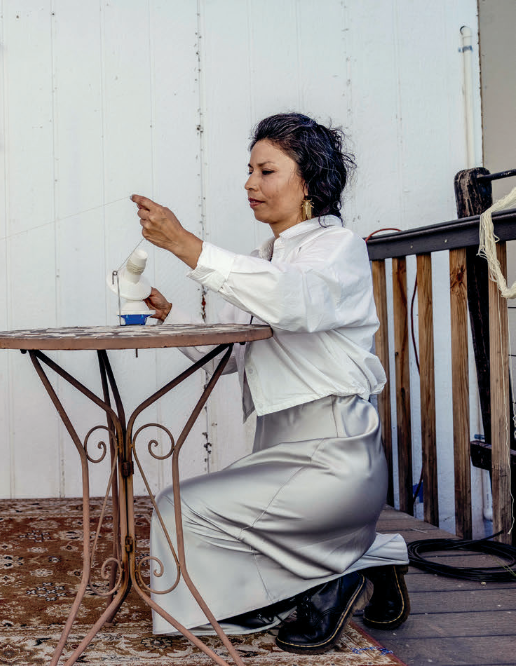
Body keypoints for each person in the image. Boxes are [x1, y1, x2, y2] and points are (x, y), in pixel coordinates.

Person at [130, 113, 410, 655]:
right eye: (250, 170)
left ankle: (335, 577)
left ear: (308, 182)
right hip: (285, 452)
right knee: (191, 512)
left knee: (176, 510)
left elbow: (293, 302)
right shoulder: (267, 259)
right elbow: (231, 354)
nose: (250, 183)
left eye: (266, 171)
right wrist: (173, 318)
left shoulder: (339, 248)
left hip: (335, 457)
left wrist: (186, 244)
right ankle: (364, 558)